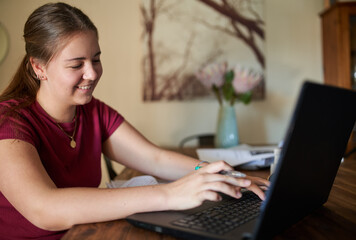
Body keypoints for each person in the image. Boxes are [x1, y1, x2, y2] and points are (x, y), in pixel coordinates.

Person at [0, 2, 269, 239]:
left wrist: (227, 176)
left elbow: (156, 159)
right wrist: (170, 194)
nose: (92, 73)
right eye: (76, 65)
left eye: (96, 59)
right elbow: (44, 208)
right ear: (39, 67)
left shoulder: (93, 111)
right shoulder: (9, 122)